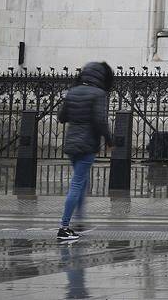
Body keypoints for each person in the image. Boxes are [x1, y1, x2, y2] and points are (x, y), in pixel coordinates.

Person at [56, 61, 114, 242]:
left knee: (81, 182)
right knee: (77, 183)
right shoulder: (99, 94)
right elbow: (100, 121)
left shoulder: (73, 91)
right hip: (87, 144)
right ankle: (64, 227)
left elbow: (61, 117)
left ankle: (79, 220)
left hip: (72, 143)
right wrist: (109, 140)